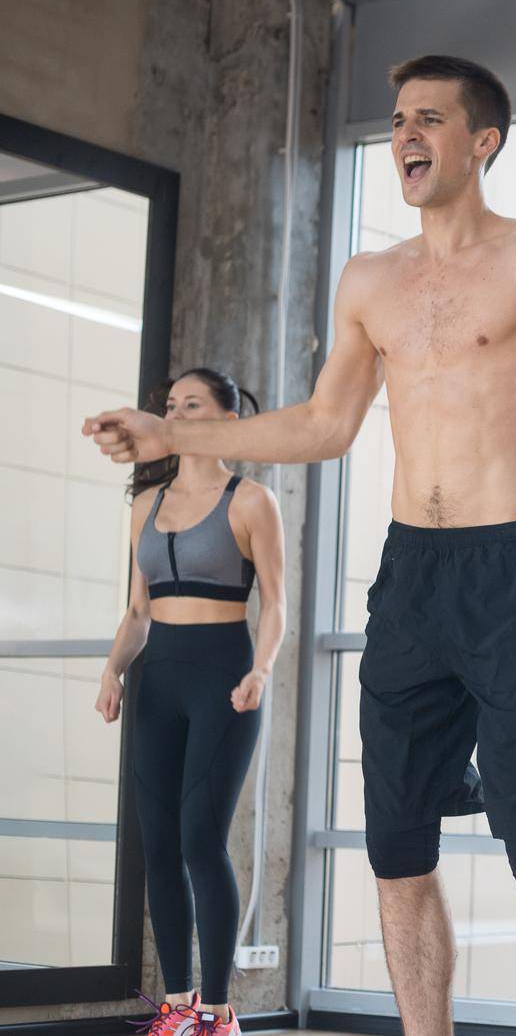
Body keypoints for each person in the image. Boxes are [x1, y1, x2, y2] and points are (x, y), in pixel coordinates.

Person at [83, 54, 516, 1036]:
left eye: (428, 118)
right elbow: (324, 425)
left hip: (514, 573)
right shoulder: (369, 280)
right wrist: (177, 436)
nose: (405, 135)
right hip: (410, 579)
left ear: (483, 142)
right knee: (396, 850)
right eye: (394, 121)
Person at [96, 368, 286, 1036]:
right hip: (158, 679)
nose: (175, 414)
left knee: (201, 838)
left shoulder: (252, 500)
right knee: (158, 843)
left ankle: (217, 1010)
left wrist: (261, 670)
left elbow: (275, 605)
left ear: (226, 419)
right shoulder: (143, 505)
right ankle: (175, 1007)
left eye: (192, 404)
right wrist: (112, 670)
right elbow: (138, 610)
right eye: (170, 405)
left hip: (225, 677)